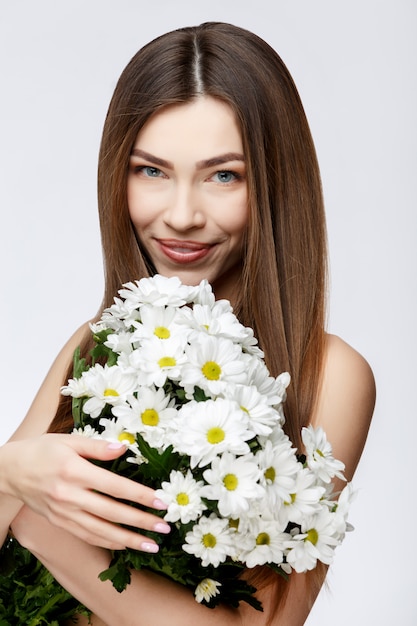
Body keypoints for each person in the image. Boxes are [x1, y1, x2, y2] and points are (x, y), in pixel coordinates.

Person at [0, 22, 375, 625]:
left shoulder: (328, 374)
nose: (180, 216)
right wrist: (9, 472)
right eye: (151, 170)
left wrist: (41, 524)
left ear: (275, 186)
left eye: (224, 175)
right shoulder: (95, 344)